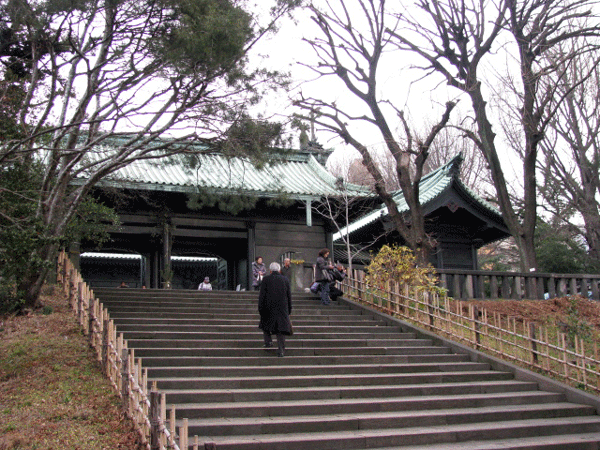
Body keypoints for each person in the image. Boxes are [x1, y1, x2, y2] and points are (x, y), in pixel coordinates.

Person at [258, 262, 292, 357]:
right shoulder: (285, 279)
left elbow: (262, 296)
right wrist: (289, 309)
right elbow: (289, 295)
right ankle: (281, 350)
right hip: (282, 308)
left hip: (268, 307)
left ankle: (268, 342)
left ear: (270, 270)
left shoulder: (266, 279)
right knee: (280, 329)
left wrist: (260, 308)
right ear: (279, 270)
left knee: (265, 324)